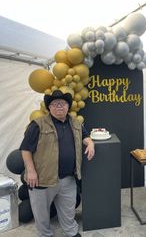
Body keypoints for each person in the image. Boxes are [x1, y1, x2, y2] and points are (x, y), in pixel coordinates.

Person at [20, 90, 95, 237]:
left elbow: (84, 135)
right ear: (49, 107)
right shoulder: (38, 124)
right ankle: (45, 234)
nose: (59, 106)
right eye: (55, 104)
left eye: (63, 103)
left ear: (68, 106)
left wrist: (90, 143)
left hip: (68, 178)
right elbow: (25, 149)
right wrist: (30, 171)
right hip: (43, 179)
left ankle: (71, 232)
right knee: (41, 213)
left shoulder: (75, 122)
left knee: (68, 210)